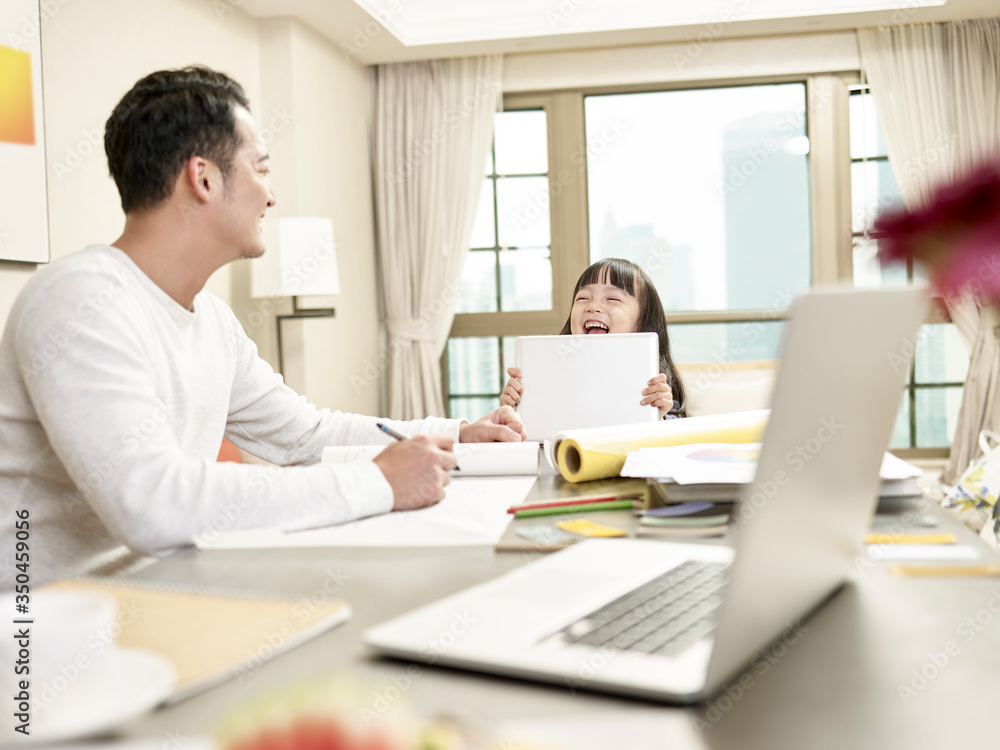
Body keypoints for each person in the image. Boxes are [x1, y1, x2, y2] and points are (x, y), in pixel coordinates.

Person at [0, 67, 524, 586]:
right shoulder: (81, 301)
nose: (271, 197)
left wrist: (456, 435)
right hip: (44, 630)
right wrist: (379, 481)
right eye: (262, 169)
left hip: (169, 593)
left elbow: (305, 436)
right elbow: (154, 504)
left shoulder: (213, 322)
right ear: (202, 178)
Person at [501, 258, 686, 419]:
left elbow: (675, 448)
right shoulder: (547, 377)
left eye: (612, 299)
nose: (593, 306)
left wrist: (659, 417)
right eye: (582, 298)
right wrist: (517, 411)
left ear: (643, 321)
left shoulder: (655, 387)